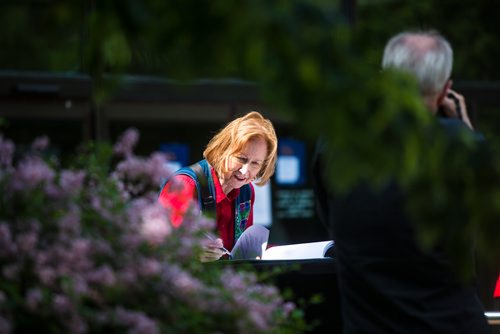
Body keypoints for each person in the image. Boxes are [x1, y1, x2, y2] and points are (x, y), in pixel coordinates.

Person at [313, 30, 491, 333]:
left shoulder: (335, 147)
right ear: (445, 89)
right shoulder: (462, 148)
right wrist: (466, 131)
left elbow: (332, 223)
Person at [159, 111, 277, 261]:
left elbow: (243, 251)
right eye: (241, 158)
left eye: (255, 163)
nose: (245, 171)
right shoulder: (184, 184)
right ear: (223, 150)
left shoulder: (246, 191)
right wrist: (193, 251)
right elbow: (160, 246)